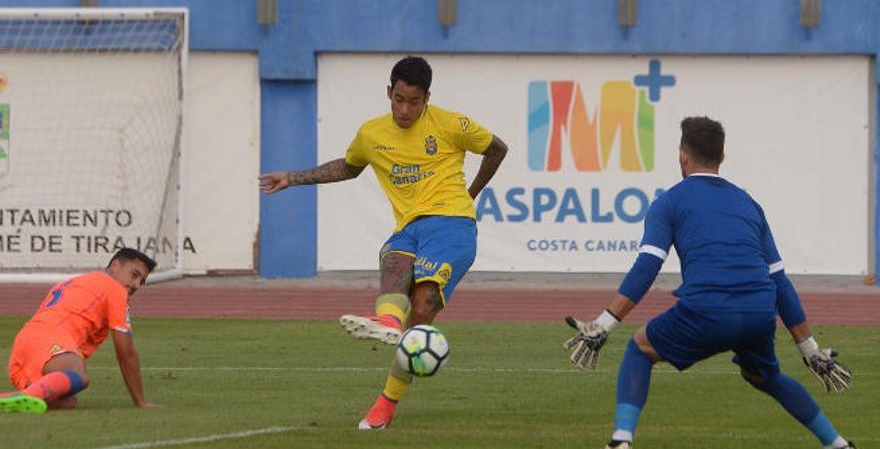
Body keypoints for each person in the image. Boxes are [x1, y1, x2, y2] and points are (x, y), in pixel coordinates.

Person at [563, 116, 854, 449]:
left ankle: (621, 440)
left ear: (683, 156)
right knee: (764, 375)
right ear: (722, 158)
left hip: (709, 309)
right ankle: (838, 444)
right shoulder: (749, 204)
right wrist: (809, 349)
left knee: (640, 348)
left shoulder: (669, 201)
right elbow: (780, 280)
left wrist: (603, 325)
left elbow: (648, 265)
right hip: (760, 310)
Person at [260, 55, 507, 429]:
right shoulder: (372, 133)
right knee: (394, 261)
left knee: (422, 309)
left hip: (452, 224)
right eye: (399, 99)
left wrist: (470, 194)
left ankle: (385, 403)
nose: (405, 109)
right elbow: (349, 166)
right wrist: (292, 178)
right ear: (389, 92)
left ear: (427, 98)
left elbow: (497, 149)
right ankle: (389, 320)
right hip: (408, 227)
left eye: (414, 101)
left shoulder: (451, 124)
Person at [1, 248, 161, 413]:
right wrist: (140, 400)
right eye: (134, 275)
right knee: (77, 375)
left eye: (141, 281)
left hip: (24, 346)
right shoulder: (115, 289)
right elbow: (125, 351)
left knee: (67, 402)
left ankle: (17, 396)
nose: (136, 284)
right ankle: (29, 394)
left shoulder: (76, 282)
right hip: (50, 339)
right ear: (115, 265)